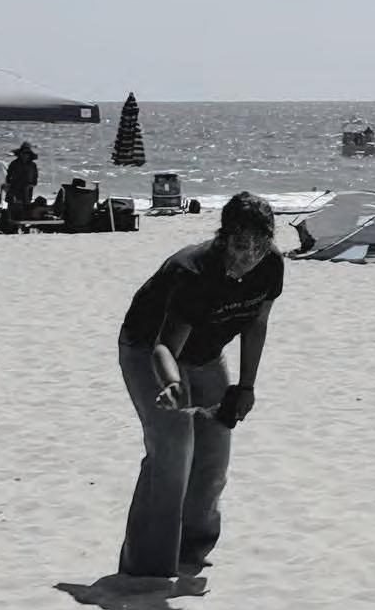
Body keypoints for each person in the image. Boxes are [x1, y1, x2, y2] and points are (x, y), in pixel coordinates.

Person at [116, 192, 283, 578]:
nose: (249, 256)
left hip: (205, 354)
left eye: (259, 245)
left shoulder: (271, 265)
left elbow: (256, 324)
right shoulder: (193, 272)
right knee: (173, 448)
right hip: (147, 350)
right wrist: (172, 384)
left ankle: (192, 550)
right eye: (241, 244)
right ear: (224, 238)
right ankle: (148, 566)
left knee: (214, 453)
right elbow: (164, 347)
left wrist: (246, 386)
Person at [6, 141, 38, 213]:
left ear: (30, 154)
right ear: (20, 153)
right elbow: (8, 178)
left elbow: (35, 180)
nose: (25, 155)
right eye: (23, 153)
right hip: (14, 191)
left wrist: (29, 186)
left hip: (27, 193)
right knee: (13, 211)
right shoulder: (14, 164)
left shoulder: (33, 165)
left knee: (25, 211)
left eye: (27, 153)